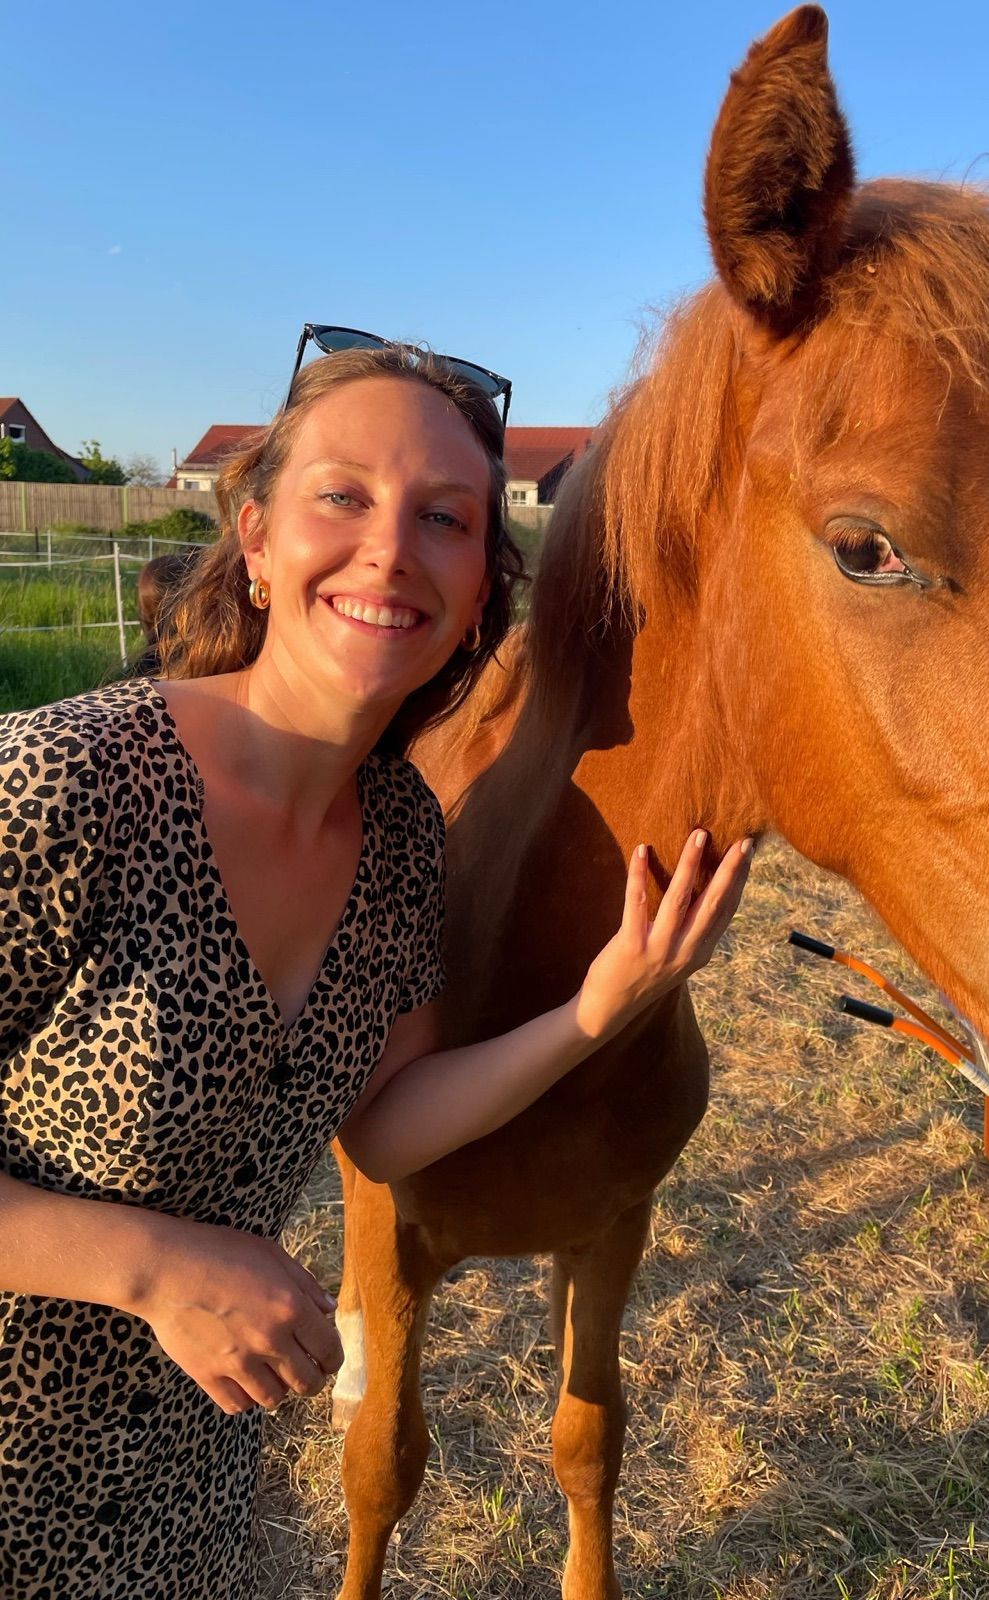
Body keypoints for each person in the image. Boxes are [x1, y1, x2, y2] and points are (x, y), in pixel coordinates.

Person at [0, 341, 753, 1600]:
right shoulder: (61, 785)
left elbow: (387, 1128)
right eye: (343, 495)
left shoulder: (401, 838)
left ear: (481, 589)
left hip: (178, 1490)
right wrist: (155, 1269)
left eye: (444, 518)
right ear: (256, 538)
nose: (391, 549)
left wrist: (596, 1008)